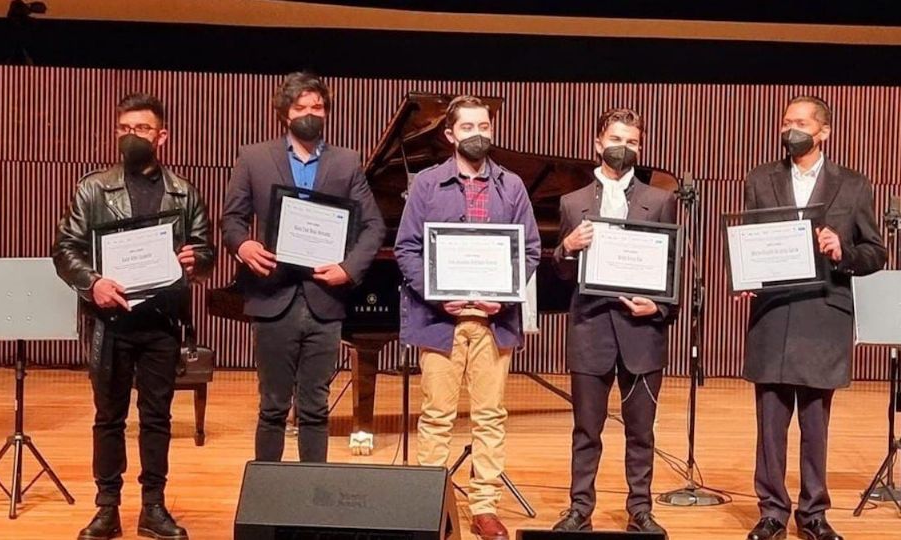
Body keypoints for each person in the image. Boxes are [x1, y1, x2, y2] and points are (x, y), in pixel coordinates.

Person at [53, 93, 214, 540]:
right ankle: (107, 508)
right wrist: (93, 282)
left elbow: (206, 250)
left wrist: (195, 259)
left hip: (162, 323)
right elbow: (65, 249)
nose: (132, 135)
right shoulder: (93, 188)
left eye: (142, 128)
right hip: (110, 324)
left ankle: (153, 507)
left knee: (157, 418)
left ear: (162, 136)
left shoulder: (184, 192)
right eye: (124, 128)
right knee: (108, 418)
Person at [394, 95, 540, 540]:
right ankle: (431, 504)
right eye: (469, 126)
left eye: (484, 126)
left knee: (490, 416)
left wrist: (506, 293)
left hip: (494, 322)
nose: (478, 133)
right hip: (440, 322)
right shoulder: (425, 185)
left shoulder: (511, 186)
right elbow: (407, 249)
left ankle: (484, 508)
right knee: (436, 414)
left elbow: (529, 250)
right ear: (450, 134)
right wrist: (438, 297)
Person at [221, 71, 385, 463]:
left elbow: (374, 225)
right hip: (272, 296)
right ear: (284, 114)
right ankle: (267, 499)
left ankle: (312, 500)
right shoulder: (254, 157)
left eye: (318, 107)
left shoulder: (346, 162)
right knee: (273, 407)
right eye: (301, 107)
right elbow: (232, 220)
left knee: (315, 408)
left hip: (324, 300)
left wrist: (349, 268)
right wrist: (243, 246)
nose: (310, 113)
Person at [743, 96, 886, 540]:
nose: (791, 130)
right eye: (786, 122)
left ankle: (813, 513)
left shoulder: (855, 185)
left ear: (823, 132)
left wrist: (842, 252)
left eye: (801, 123)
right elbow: (748, 238)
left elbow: (876, 252)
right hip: (773, 313)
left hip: (823, 314)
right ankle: (771, 512)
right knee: (769, 422)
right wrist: (745, 272)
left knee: (814, 423)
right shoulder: (760, 178)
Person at [550, 108, 676, 537]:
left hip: (642, 334)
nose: (625, 147)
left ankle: (640, 509)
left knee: (641, 433)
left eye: (633, 141)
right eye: (617, 139)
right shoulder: (572, 203)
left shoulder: (660, 200)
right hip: (591, 332)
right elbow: (562, 273)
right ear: (599, 144)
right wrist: (566, 245)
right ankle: (579, 508)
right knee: (586, 430)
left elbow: (673, 267)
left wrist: (656, 308)